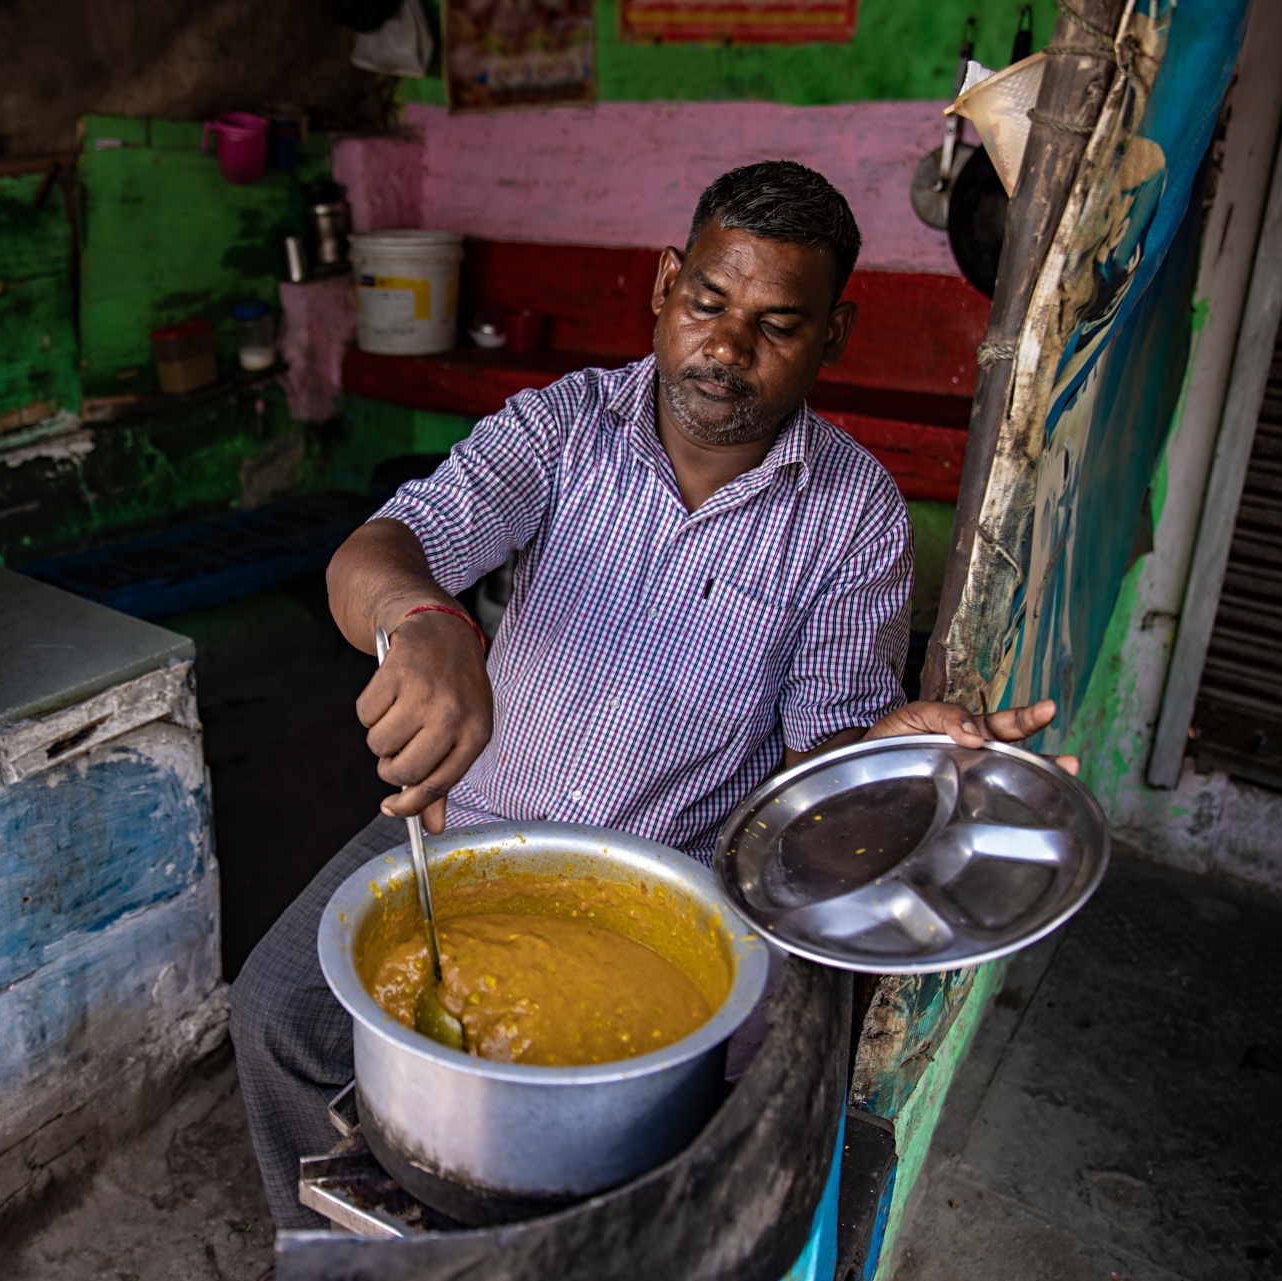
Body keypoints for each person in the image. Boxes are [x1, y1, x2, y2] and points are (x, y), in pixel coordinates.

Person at [230, 160, 1077, 1234]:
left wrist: (886, 750)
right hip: (469, 831)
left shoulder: (855, 513)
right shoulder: (563, 427)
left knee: (646, 1148)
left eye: (777, 324)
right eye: (709, 303)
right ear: (666, 285)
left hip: (681, 883)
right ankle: (345, 1252)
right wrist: (424, 620)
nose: (726, 349)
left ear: (835, 335)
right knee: (276, 1016)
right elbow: (382, 550)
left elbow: (820, 776)